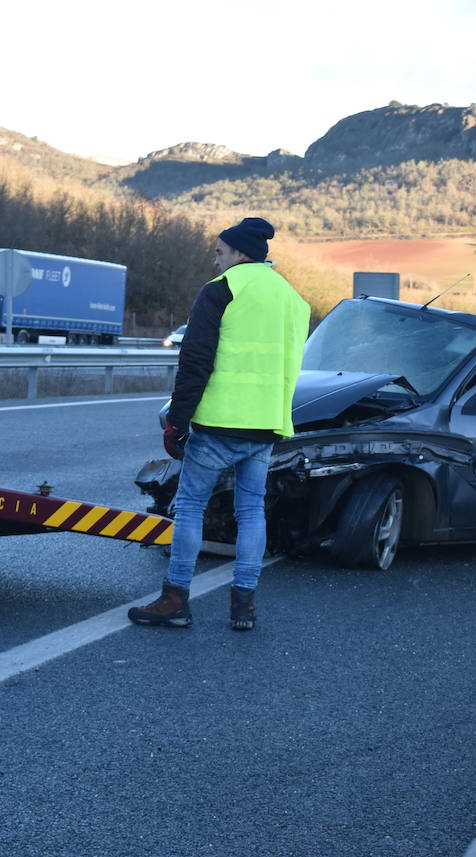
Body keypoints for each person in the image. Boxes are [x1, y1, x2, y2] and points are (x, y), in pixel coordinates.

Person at [128, 217, 310, 631]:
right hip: (266, 424)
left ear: (239, 253)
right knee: (251, 512)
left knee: (190, 506)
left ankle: (175, 599)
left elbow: (194, 361)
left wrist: (176, 423)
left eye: (219, 251)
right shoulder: (292, 298)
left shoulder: (221, 290)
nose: (215, 259)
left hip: (219, 423)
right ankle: (243, 606)